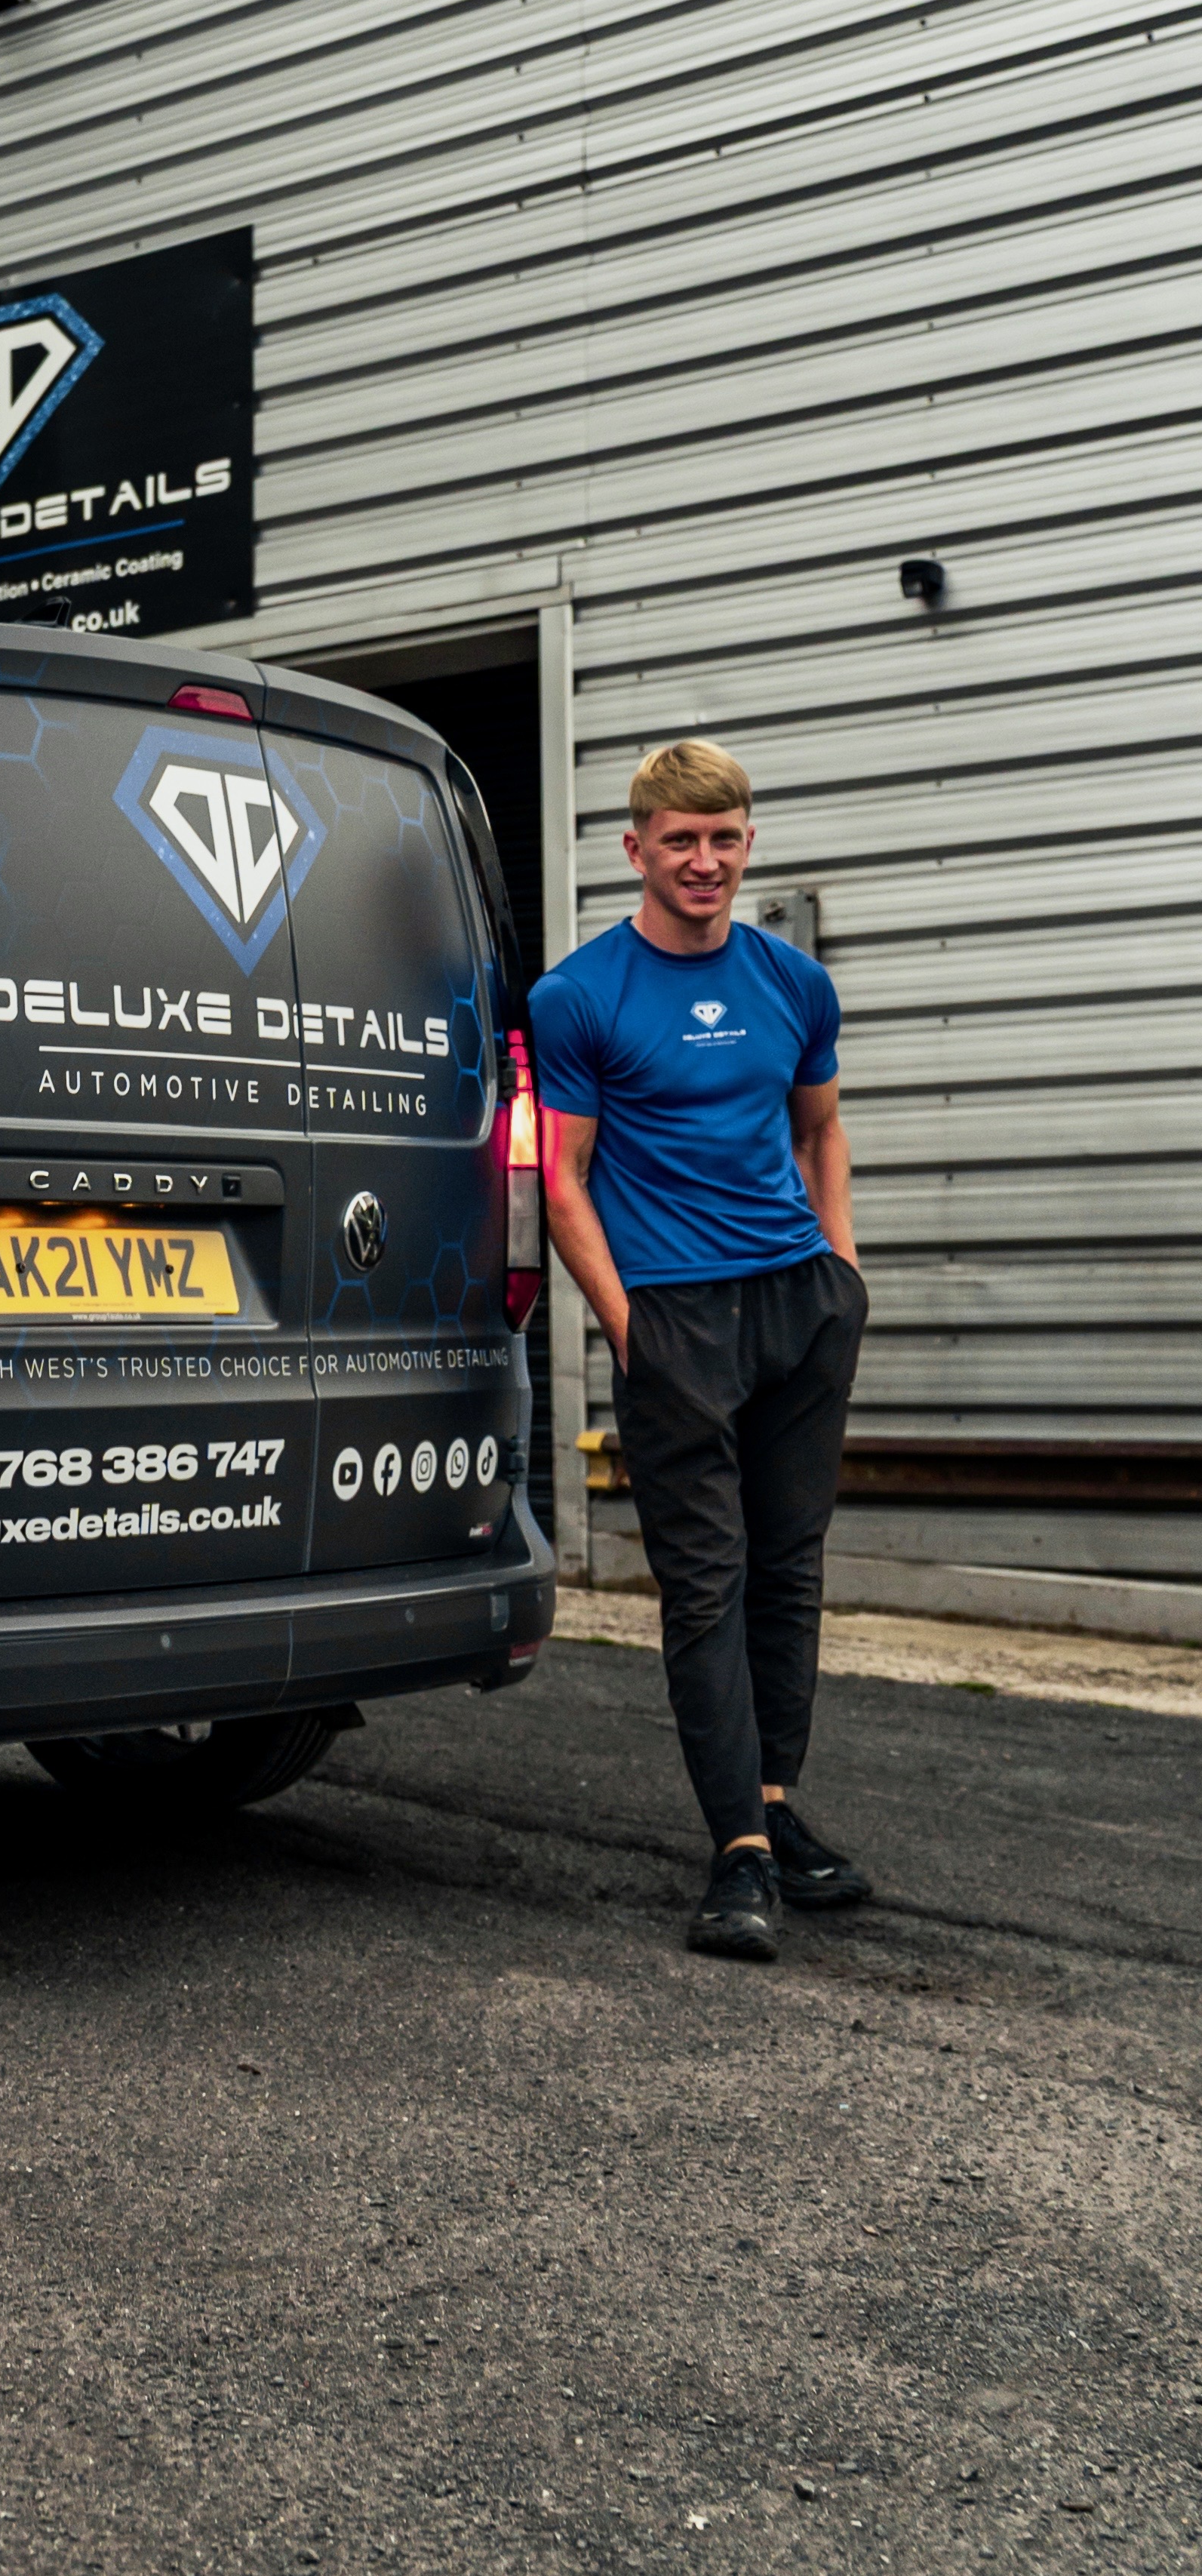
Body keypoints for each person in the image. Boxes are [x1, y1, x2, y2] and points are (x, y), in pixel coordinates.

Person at [527, 740, 870, 1962]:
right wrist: (632, 1329)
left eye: (724, 839)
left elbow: (821, 1133)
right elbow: (562, 1183)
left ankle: (777, 1812)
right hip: (674, 1315)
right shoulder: (578, 997)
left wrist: (842, 1275)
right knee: (707, 1587)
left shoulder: (794, 983)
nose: (705, 861)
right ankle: (735, 1854)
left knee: (789, 1573)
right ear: (636, 849)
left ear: (748, 843)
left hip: (798, 1307)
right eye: (680, 840)